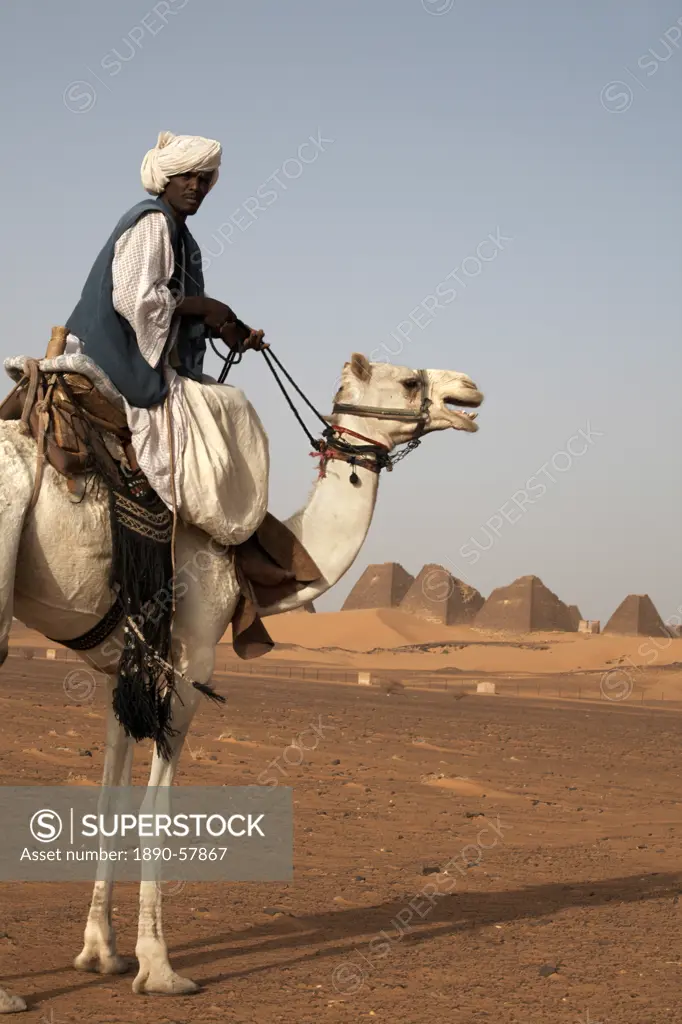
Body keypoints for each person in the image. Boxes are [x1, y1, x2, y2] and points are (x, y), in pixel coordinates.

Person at [64, 131, 269, 547]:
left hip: (135, 348)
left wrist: (229, 328)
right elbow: (135, 299)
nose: (195, 186)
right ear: (166, 179)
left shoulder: (178, 232)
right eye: (185, 177)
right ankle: (191, 536)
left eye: (204, 179)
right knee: (225, 410)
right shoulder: (153, 222)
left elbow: (173, 302)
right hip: (114, 351)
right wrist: (204, 307)